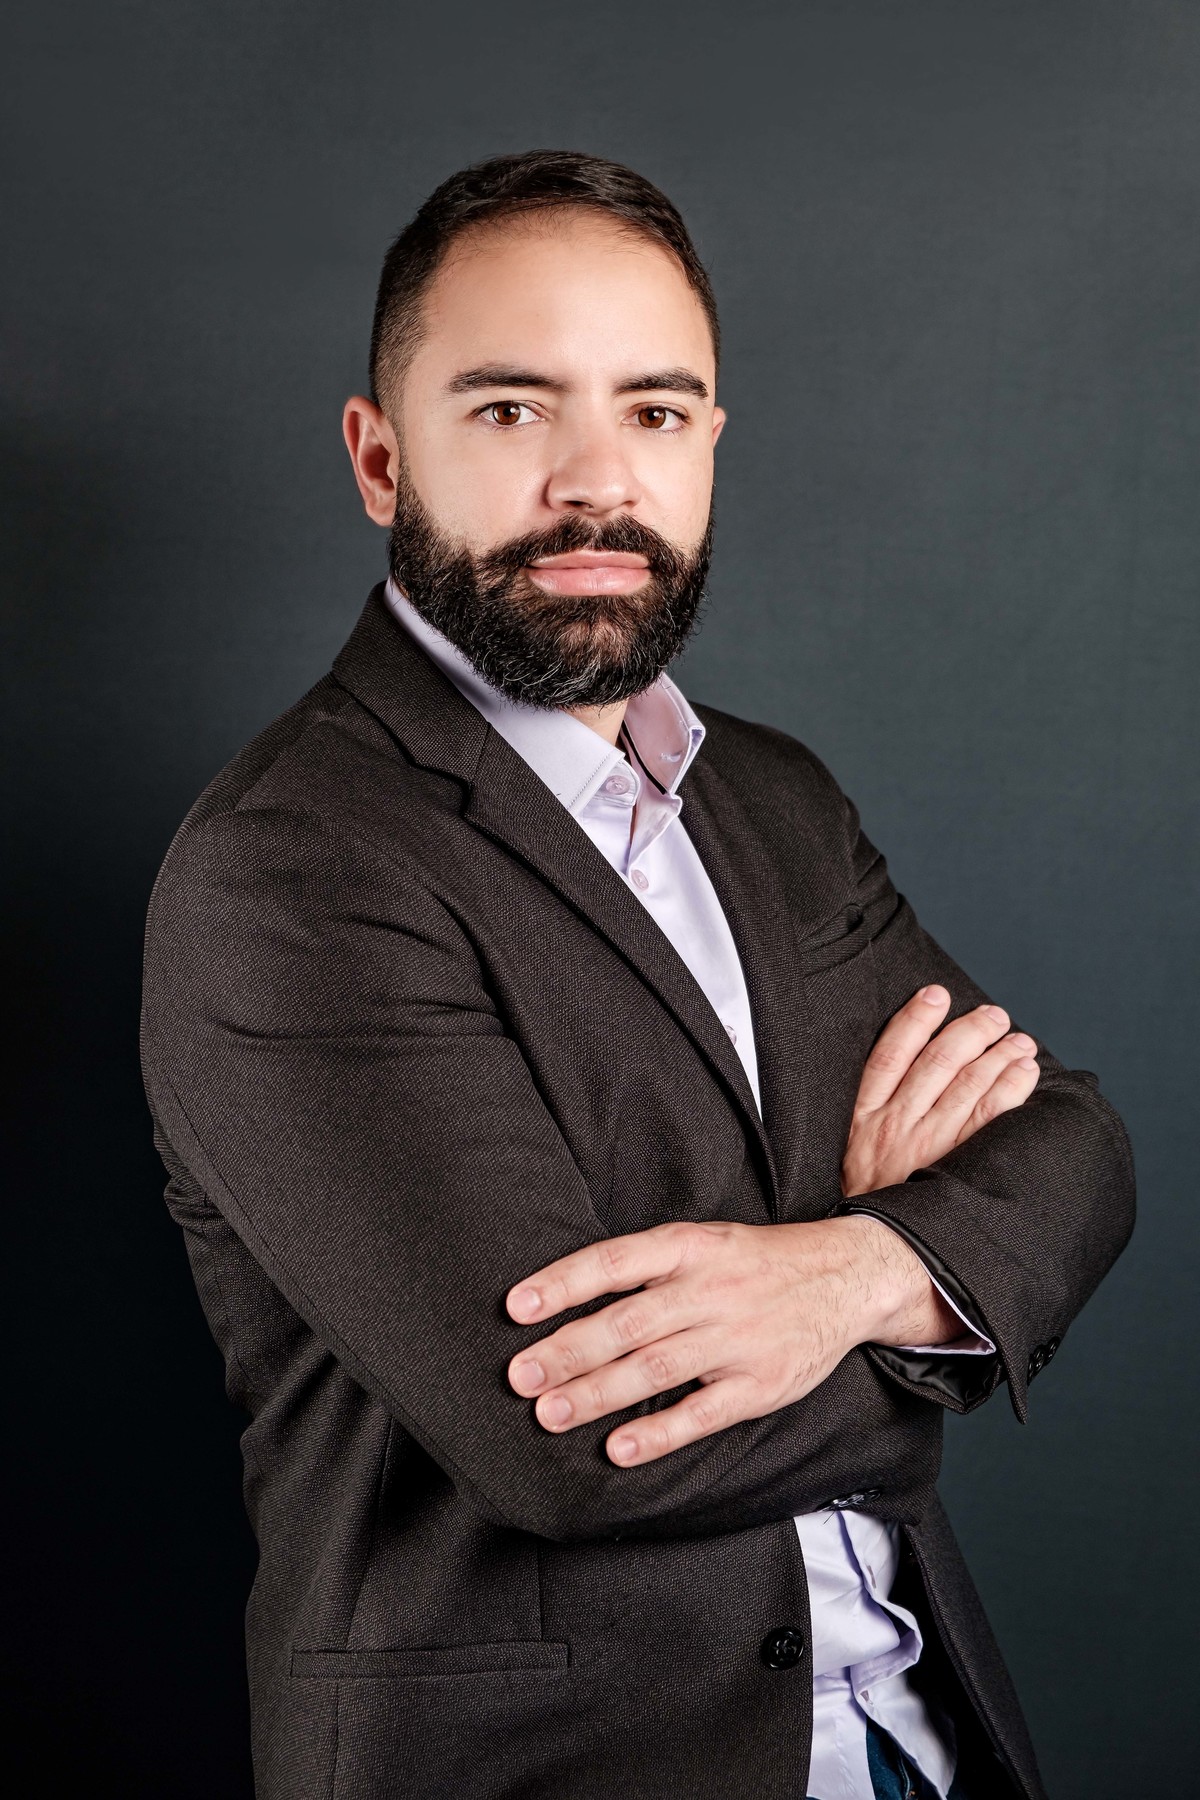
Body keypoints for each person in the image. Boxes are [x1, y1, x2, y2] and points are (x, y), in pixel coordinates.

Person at [139, 151, 1134, 1800]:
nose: (598, 481)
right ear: (380, 459)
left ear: (710, 446)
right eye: (512, 409)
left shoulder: (777, 801)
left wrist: (852, 1274)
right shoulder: (293, 869)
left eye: (656, 413)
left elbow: (1077, 1147)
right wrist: (952, 1301)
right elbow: (587, 1445)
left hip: (915, 1740)